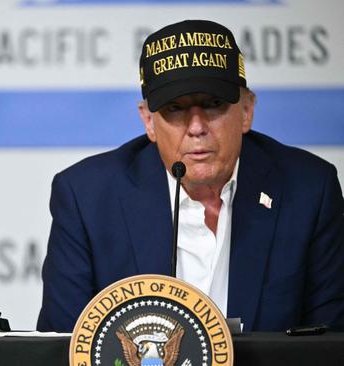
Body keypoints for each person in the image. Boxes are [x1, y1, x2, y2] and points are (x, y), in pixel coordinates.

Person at [37, 20, 344, 332]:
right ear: (149, 122)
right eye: (174, 108)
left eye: (213, 104)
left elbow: (329, 343)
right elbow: (64, 344)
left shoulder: (308, 190)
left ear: (247, 110)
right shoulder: (86, 197)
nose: (196, 127)